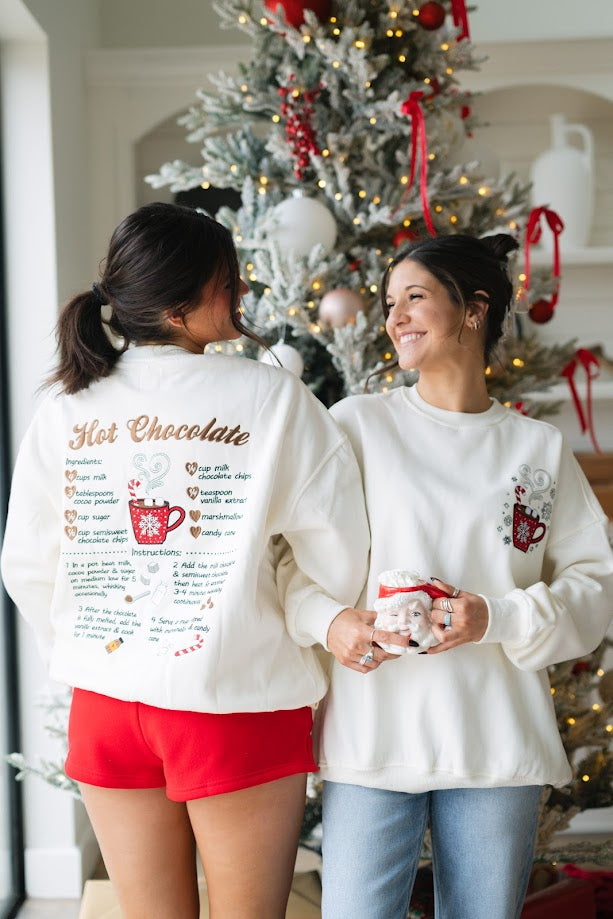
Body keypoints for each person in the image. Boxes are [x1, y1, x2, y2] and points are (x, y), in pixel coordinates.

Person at [1, 202, 388, 919]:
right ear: (177, 305)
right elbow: (336, 549)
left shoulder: (66, 408)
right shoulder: (271, 397)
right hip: (233, 699)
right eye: (227, 279)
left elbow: (27, 562)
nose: (241, 292)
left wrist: (87, 651)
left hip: (106, 706)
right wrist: (296, 629)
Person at [309, 233, 613, 919]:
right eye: (389, 302)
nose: (394, 317)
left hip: (494, 740)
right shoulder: (357, 426)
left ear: (473, 309)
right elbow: (295, 559)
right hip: (372, 736)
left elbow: (594, 584)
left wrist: (495, 617)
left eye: (414, 297)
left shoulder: (536, 448)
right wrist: (330, 622)